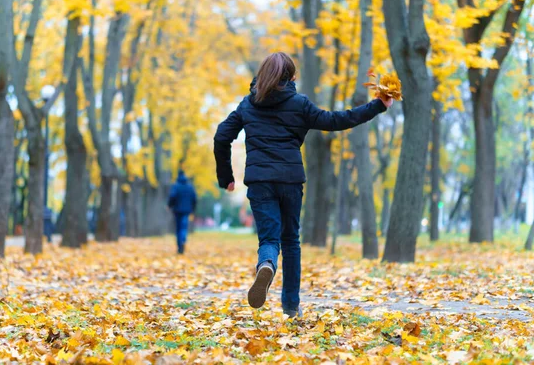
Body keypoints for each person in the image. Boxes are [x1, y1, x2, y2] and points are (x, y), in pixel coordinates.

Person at [213, 52, 392, 318]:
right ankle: (291, 306)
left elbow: (221, 136)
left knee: (269, 239)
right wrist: (377, 105)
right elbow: (337, 120)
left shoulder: (248, 105)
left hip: (260, 180)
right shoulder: (299, 104)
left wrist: (226, 176)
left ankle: (267, 265)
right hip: (290, 179)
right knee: (291, 241)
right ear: (291, 77)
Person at [168, 170, 197, 254]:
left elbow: (172, 196)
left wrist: (169, 205)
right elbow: (194, 199)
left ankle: (179, 245)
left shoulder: (176, 186)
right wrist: (193, 209)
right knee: (184, 227)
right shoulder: (190, 187)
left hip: (177, 210)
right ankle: (183, 239)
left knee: (178, 228)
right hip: (187, 211)